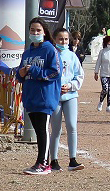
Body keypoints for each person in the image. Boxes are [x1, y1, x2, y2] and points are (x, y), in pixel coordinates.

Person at [18, 17, 60, 174]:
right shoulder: (27, 52)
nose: (35, 33)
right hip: (31, 97)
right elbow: (21, 73)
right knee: (37, 130)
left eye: (38, 30)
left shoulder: (50, 49)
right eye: (32, 30)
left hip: (44, 97)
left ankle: (44, 163)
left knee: (42, 130)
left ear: (44, 32)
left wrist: (34, 71)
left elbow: (55, 72)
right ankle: (40, 162)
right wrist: (20, 73)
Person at [48, 26, 83, 170]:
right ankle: (54, 160)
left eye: (66, 39)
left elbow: (79, 75)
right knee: (56, 129)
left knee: (72, 126)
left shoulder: (72, 56)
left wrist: (71, 85)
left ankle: (72, 159)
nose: (63, 42)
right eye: (60, 39)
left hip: (70, 96)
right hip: (55, 96)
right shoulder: (51, 54)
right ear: (55, 40)